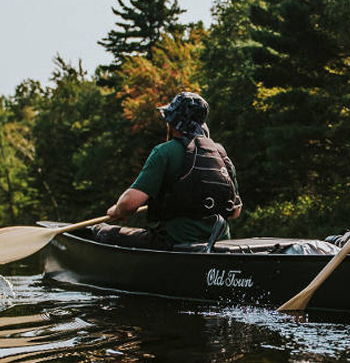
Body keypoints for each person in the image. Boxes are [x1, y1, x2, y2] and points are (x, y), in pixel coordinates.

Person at [93, 92, 242, 249]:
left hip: (173, 243)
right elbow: (235, 212)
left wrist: (117, 210)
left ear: (173, 123)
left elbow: (129, 204)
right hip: (219, 243)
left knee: (103, 232)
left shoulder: (165, 152)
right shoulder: (220, 153)